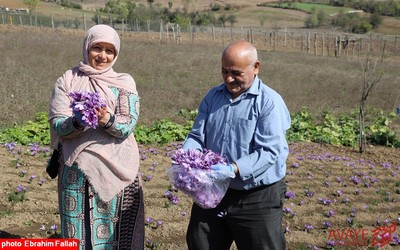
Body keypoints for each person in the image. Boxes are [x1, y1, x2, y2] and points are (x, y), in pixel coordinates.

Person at [182, 40, 291, 250]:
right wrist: (188, 154)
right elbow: (197, 135)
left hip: (256, 196)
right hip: (213, 191)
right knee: (200, 243)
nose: (229, 78)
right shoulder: (213, 96)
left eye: (236, 72)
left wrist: (233, 168)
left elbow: (269, 151)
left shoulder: (269, 102)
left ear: (256, 67)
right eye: (224, 71)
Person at [48, 24, 143, 249]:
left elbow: (127, 125)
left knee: (117, 234)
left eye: (109, 50)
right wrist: (78, 121)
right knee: (76, 232)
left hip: (116, 172)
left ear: (116, 53)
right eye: (97, 48)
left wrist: (106, 119)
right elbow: (58, 125)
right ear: (87, 47)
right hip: (75, 172)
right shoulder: (68, 80)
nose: (102, 56)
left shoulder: (124, 82)